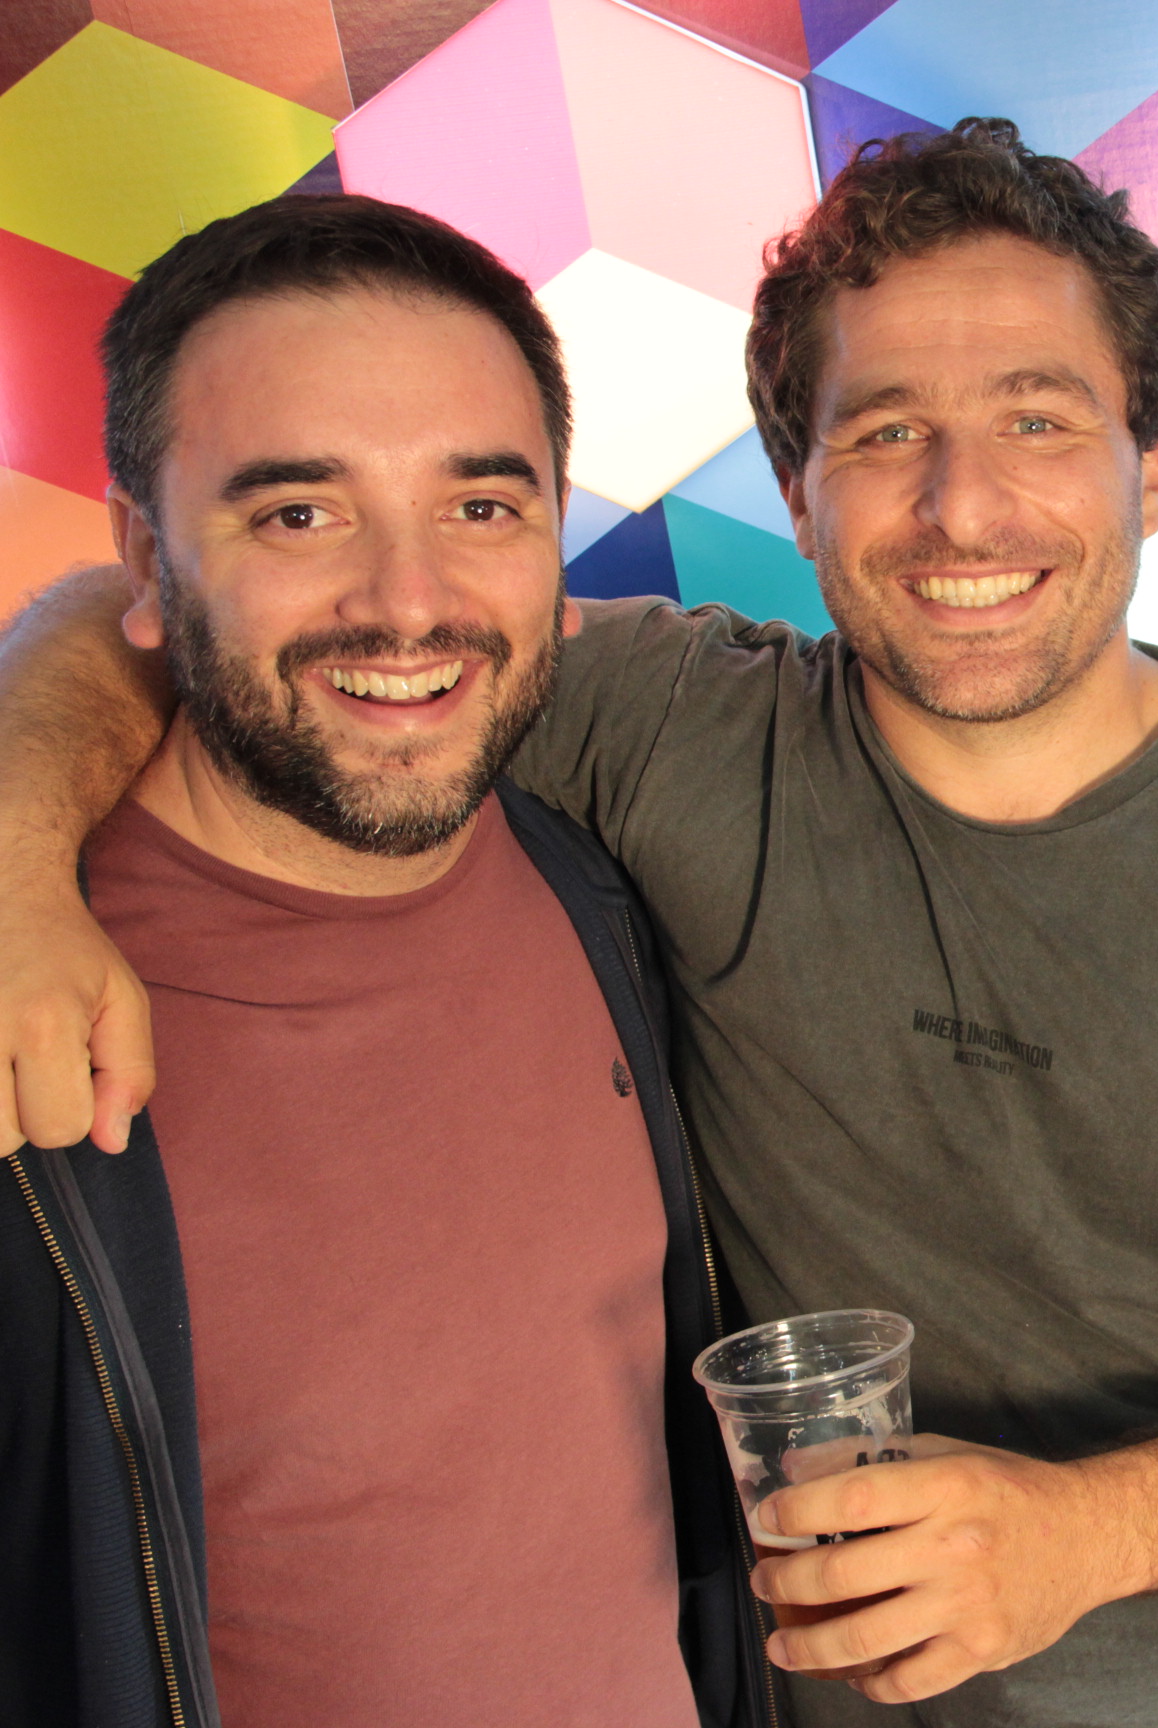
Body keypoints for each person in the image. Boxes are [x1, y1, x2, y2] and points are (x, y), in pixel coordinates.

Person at [0, 123, 1158, 1728]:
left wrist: (1086, 1537)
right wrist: (14, 858)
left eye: (1038, 419)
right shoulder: (661, 725)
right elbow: (194, 613)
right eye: (886, 433)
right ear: (799, 496)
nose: (963, 508)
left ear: (1153, 470)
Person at [0, 197, 763, 1726]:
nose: (409, 603)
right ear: (145, 556)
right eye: (300, 514)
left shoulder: (601, 894)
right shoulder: (29, 1017)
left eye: (480, 507)